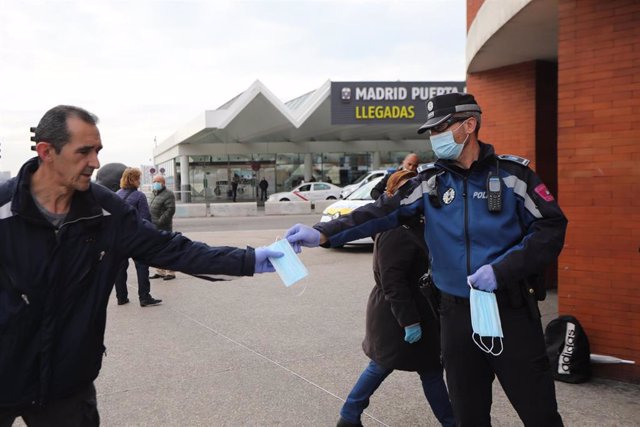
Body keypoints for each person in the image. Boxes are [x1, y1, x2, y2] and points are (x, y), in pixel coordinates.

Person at [285, 93, 568, 427]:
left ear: (469, 125)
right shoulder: (430, 183)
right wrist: (323, 232)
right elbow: (381, 212)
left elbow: (551, 227)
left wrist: (503, 270)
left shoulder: (513, 177)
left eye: (441, 128)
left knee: (539, 413)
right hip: (455, 316)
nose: (435, 138)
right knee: (468, 415)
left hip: (510, 311)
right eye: (431, 131)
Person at [0, 105, 282, 426]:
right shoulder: (3, 208)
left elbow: (171, 249)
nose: (95, 162)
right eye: (84, 152)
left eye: (97, 151)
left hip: (67, 384)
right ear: (46, 151)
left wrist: (250, 259)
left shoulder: (105, 211)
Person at [337, 170, 455, 427]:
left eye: (414, 188)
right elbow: (392, 280)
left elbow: (380, 191)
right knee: (402, 367)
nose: (410, 194)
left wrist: (406, 169)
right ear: (393, 195)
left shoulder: (410, 219)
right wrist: (409, 321)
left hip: (412, 307)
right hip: (398, 312)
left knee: (411, 367)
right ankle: (349, 414)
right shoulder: (395, 228)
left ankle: (349, 414)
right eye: (403, 190)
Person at [114, 168, 162, 306]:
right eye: (138, 178)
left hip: (119, 238)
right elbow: (145, 218)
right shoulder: (139, 196)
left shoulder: (116, 195)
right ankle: (144, 297)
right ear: (133, 179)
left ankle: (121, 297)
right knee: (142, 266)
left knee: (120, 268)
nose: (139, 181)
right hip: (135, 237)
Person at [149, 174, 177, 281]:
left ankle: (170, 272)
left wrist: (160, 221)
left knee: (167, 250)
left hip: (164, 227)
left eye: (157, 181)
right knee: (157, 250)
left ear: (163, 183)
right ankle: (160, 271)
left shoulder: (168, 194)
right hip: (153, 227)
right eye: (154, 181)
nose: (155, 183)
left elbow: (170, 210)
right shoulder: (153, 193)